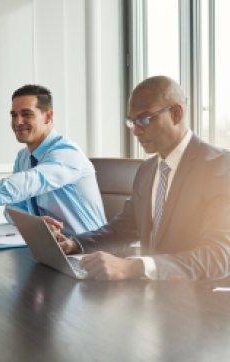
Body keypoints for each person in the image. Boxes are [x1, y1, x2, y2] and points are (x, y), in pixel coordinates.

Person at [56, 76, 230, 281]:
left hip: (200, 300)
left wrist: (133, 267)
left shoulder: (219, 167)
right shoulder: (147, 170)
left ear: (176, 113)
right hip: (153, 296)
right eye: (131, 122)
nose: (136, 132)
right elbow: (123, 229)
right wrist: (74, 243)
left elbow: (219, 256)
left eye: (145, 120)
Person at [0, 85, 107, 236]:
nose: (18, 122)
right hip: (51, 248)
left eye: (26, 114)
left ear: (48, 117)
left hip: (88, 252)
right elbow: (13, 210)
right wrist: (37, 224)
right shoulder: (23, 157)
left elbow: (31, 181)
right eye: (14, 115)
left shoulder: (67, 153)